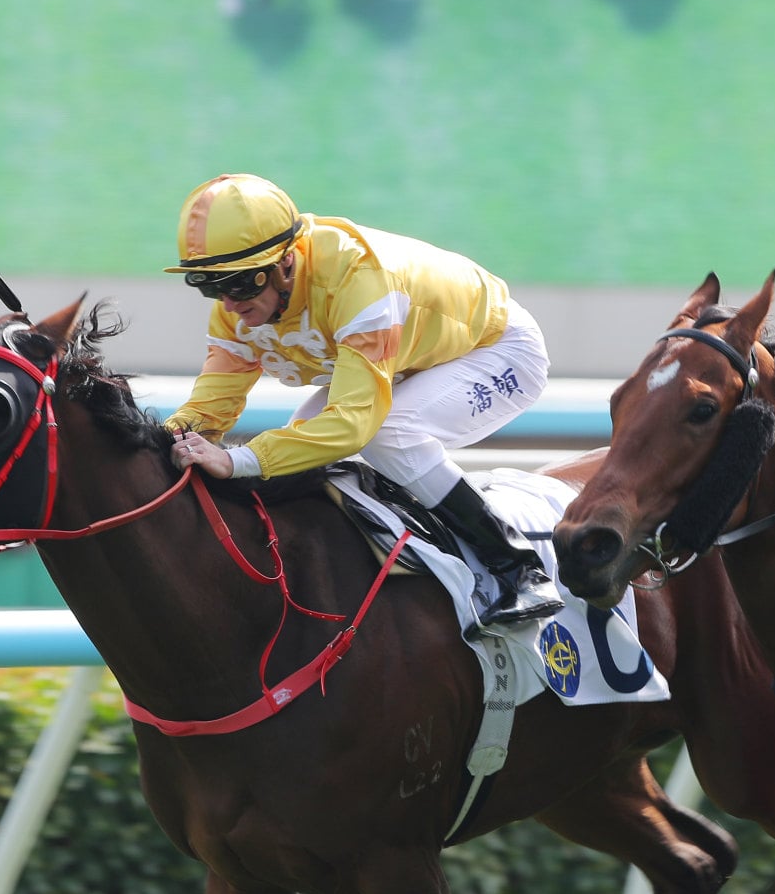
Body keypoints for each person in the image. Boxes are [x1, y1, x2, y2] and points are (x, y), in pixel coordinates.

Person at [162, 172, 562, 627]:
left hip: (496, 349)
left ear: (286, 263)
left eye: (238, 285)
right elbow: (211, 407)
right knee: (299, 450)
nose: (229, 305)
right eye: (211, 287)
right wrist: (161, 442)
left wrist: (237, 460)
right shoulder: (237, 308)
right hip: (411, 356)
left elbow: (353, 424)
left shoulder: (358, 279)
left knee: (387, 433)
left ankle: (518, 568)